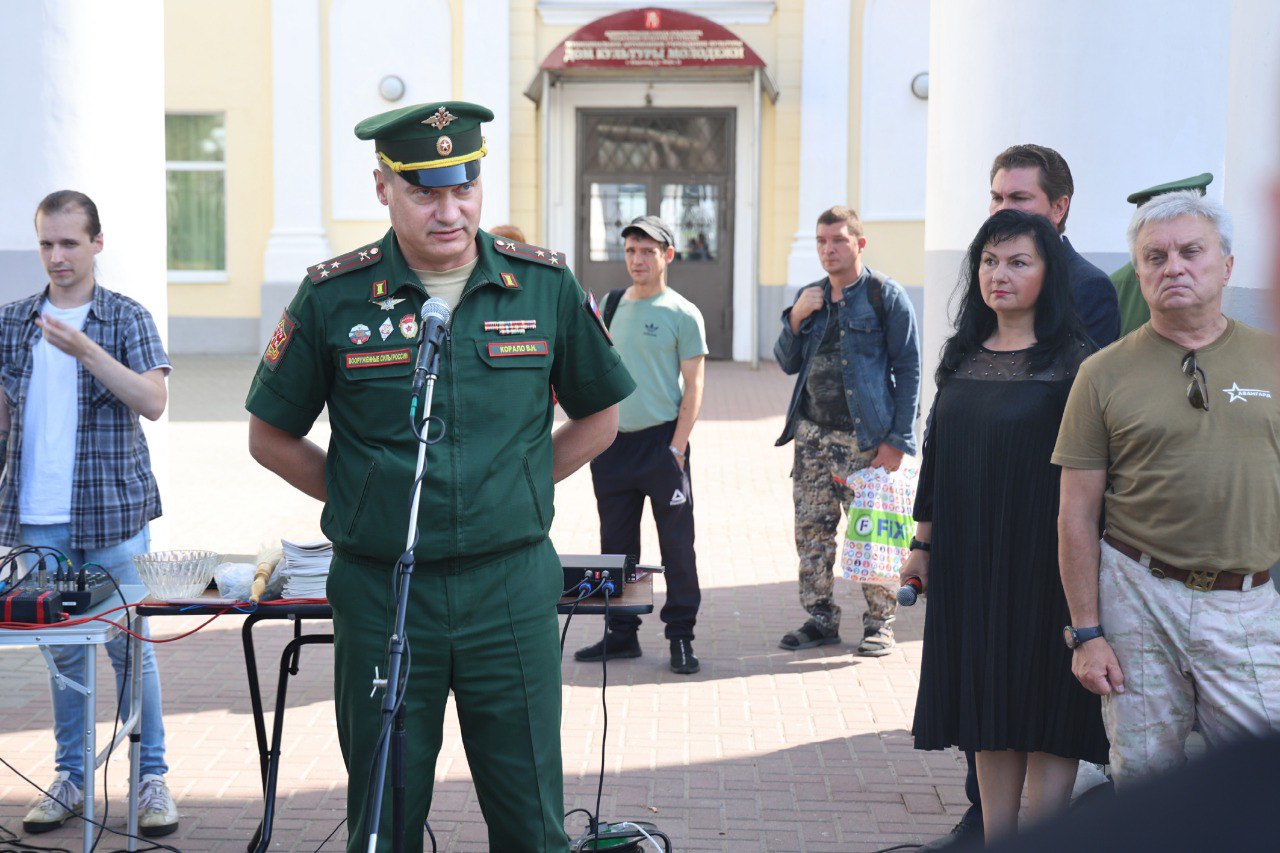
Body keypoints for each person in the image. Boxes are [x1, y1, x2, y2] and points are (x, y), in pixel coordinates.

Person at [244, 101, 635, 852]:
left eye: (464, 187)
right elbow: (271, 435)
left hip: (509, 588)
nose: (449, 210)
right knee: (384, 814)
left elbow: (600, 417)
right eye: (424, 190)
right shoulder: (334, 296)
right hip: (384, 588)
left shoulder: (543, 286)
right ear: (383, 188)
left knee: (531, 817)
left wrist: (521, 485)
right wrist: (370, 499)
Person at [928, 143, 1123, 849]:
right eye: (990, 259)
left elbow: (1100, 463)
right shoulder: (961, 352)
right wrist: (923, 541)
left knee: (1044, 704)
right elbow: (937, 446)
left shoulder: (1079, 359)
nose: (1000, 273)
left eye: (1017, 260)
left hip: (1045, 554)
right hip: (973, 553)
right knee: (986, 697)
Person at [1054, 191, 1280, 786]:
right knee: (1144, 779)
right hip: (1136, 596)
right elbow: (1076, 514)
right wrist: (1087, 634)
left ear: (1226, 265)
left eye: (1190, 251)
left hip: (1248, 601)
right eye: (1154, 256)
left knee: (1260, 786)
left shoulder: (1273, 360)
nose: (1172, 266)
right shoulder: (1101, 374)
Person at [0, 190, 178, 836]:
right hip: (37, 518)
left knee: (132, 649)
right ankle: (69, 776)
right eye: (47, 243)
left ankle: (151, 777)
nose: (57, 256)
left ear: (97, 243)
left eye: (70, 242)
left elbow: (153, 400)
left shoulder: (124, 317)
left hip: (114, 514)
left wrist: (87, 354)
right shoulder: (14, 320)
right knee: (62, 657)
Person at [774, 206, 921, 656]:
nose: (828, 249)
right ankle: (819, 618)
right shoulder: (811, 296)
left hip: (864, 441)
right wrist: (796, 317)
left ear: (859, 243)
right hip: (812, 437)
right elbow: (786, 360)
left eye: (838, 240)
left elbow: (910, 368)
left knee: (873, 532)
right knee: (812, 532)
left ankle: (880, 623)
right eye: (821, 241)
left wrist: (897, 441)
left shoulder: (884, 295)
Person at [573, 215, 708, 675]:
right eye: (631, 250)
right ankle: (622, 633)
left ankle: (681, 638)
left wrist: (676, 448)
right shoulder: (609, 305)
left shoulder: (683, 313)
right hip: (611, 448)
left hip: (661, 446)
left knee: (677, 547)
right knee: (616, 548)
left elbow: (693, 388)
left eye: (647, 251)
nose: (637, 259)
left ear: (667, 256)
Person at [988, 144, 1120, 348]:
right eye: (997, 198)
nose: (1003, 210)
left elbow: (1084, 376)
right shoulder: (987, 276)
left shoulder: (1088, 287)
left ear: (1059, 208)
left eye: (1019, 198)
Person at [1109, 173, 1214, 336]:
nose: (1174, 269)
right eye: (1157, 256)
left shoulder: (1115, 283)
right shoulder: (1113, 286)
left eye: (1190, 251)